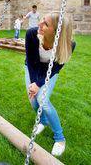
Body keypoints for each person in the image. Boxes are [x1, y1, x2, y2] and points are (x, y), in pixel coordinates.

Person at [24, 13, 76, 156]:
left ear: (57, 31)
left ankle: (60, 139)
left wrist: (39, 84)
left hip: (50, 71)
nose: (39, 24)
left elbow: (56, 67)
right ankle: (43, 121)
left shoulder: (69, 44)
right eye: (42, 20)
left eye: (46, 24)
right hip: (32, 67)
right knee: (33, 99)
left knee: (43, 101)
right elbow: (30, 61)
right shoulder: (32, 34)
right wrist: (35, 83)